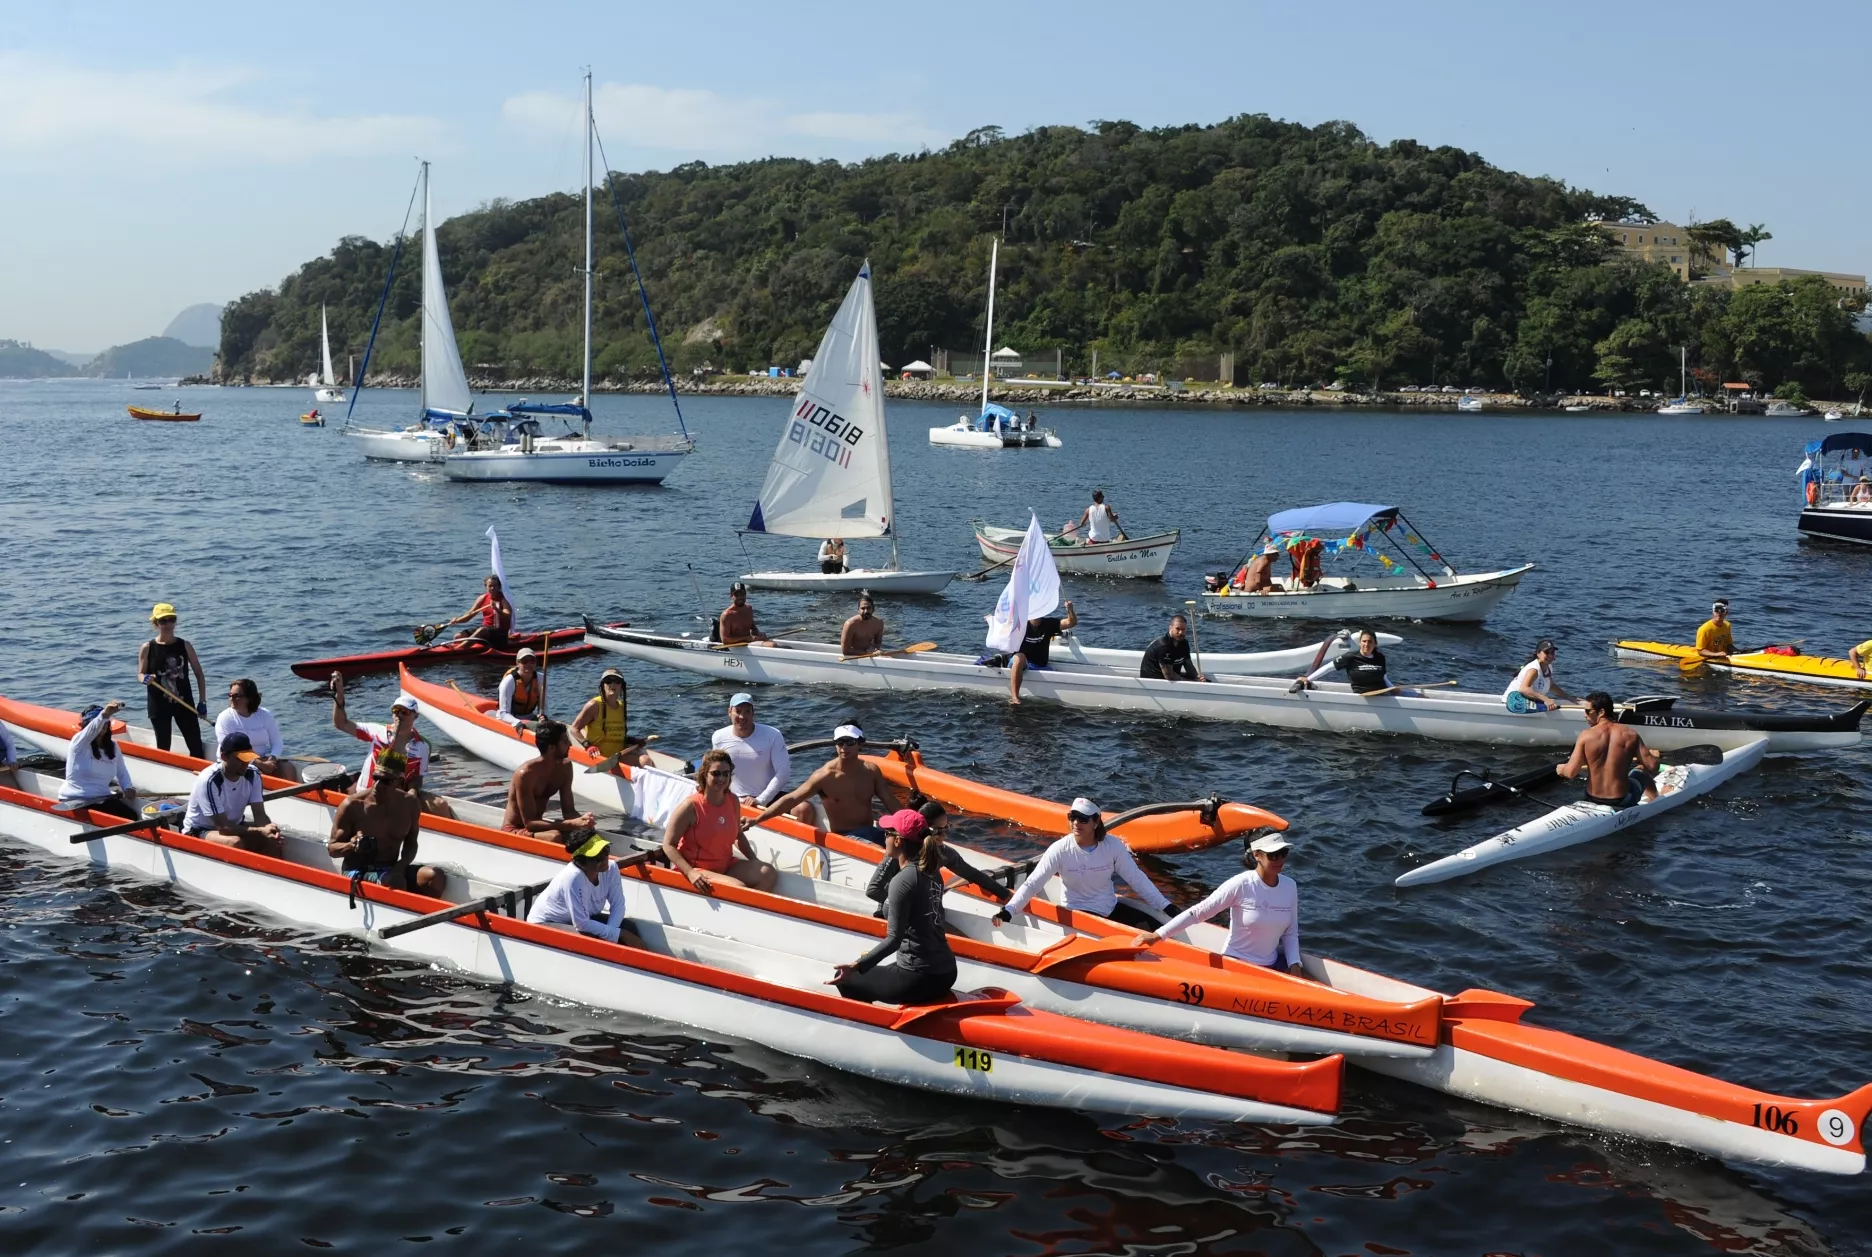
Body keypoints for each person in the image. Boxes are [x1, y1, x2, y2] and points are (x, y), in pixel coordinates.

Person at [831, 809, 957, 1006]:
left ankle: (872, 1028)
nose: (885, 837)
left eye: (888, 833)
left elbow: (893, 940)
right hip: (947, 971)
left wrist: (855, 966)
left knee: (845, 978)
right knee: (884, 968)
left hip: (920, 977)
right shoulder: (933, 872)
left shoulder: (902, 880)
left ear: (898, 841)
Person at [993, 797, 1172, 930]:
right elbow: (1033, 884)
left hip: (1110, 908)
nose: (1076, 823)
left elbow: (1137, 880)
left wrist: (1166, 906)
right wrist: (1008, 911)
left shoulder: (1113, 846)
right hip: (1077, 914)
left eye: (1083, 819)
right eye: (1073, 817)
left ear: (1095, 822)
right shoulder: (1060, 849)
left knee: (1156, 929)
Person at [1134, 835, 1303, 975]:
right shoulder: (1240, 885)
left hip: (1273, 965)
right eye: (1273, 855)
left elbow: (1291, 933)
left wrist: (1295, 963)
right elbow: (1198, 912)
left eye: (1283, 853)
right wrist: (1157, 935)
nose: (1279, 859)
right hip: (1237, 965)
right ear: (1257, 854)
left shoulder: (1290, 886)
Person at [329, 675, 455, 818]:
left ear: (416, 716)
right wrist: (339, 696)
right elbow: (341, 724)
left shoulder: (422, 746)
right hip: (368, 792)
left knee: (440, 805)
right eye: (396, 711)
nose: (399, 715)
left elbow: (417, 777)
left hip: (397, 795)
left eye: (405, 712)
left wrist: (413, 792)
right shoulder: (377, 732)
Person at [746, 725, 901, 841]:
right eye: (840, 742)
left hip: (870, 831)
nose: (844, 747)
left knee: (905, 844)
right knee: (886, 853)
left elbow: (890, 801)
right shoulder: (824, 776)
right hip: (845, 838)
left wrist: (914, 825)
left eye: (850, 742)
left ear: (860, 743)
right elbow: (792, 799)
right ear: (835, 744)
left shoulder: (871, 771)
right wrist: (757, 819)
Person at [327, 749, 446, 894]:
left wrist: (400, 867)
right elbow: (332, 849)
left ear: (400, 782)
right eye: (375, 777)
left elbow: (411, 844)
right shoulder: (352, 805)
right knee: (396, 882)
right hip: (357, 870)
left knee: (435, 877)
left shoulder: (410, 804)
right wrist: (352, 846)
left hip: (391, 868)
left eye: (386, 781)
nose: (377, 785)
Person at [661, 749, 778, 892]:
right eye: (716, 773)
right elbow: (668, 845)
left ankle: (756, 910)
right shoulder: (690, 807)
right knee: (739, 888)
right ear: (704, 774)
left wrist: (754, 860)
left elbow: (738, 835)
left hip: (726, 865)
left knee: (768, 872)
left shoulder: (733, 800)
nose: (721, 778)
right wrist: (690, 873)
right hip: (698, 870)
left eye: (726, 774)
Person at [527, 834, 643, 946]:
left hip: (579, 920)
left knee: (628, 927)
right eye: (597, 858)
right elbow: (582, 924)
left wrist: (614, 934)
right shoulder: (572, 878)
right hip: (545, 923)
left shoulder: (612, 868)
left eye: (606, 851)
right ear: (581, 862)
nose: (605, 859)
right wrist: (618, 934)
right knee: (593, 940)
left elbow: (618, 905)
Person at [180, 732, 284, 857]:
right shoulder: (209, 781)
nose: (246, 764)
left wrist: (269, 829)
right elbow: (223, 827)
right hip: (201, 829)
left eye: (248, 759)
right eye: (240, 760)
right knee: (235, 842)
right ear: (224, 757)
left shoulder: (253, 775)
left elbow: (259, 814)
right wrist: (261, 831)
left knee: (273, 841)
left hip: (234, 826)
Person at [1557, 691, 1661, 809]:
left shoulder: (1585, 735)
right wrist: (1655, 757)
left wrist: (1563, 769)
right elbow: (1653, 766)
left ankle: (1655, 802)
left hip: (1592, 798)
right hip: (1622, 800)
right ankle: (1656, 802)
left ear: (1601, 712)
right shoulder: (1631, 734)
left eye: (1587, 711)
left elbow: (1570, 773)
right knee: (1641, 770)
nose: (1584, 715)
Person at [501, 720, 598, 845]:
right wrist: (572, 824)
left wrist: (584, 822)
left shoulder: (566, 767)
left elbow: (569, 811)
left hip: (538, 827)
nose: (569, 744)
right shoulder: (525, 774)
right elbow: (530, 823)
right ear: (551, 747)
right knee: (554, 837)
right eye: (564, 740)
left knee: (586, 832)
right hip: (515, 830)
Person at [908, 796, 1012, 903]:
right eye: (938, 831)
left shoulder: (944, 853)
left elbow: (972, 874)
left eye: (946, 828)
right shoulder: (903, 851)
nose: (944, 835)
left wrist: (1005, 893)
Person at [138, 602, 208, 757]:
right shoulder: (147, 647)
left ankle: (199, 777)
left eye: (171, 620)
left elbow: (199, 674)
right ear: (155, 624)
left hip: (184, 703)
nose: (168, 624)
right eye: (163, 621)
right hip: (159, 706)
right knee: (163, 746)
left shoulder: (185, 645)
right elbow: (140, 674)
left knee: (196, 746)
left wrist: (202, 702)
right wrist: (145, 679)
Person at [58, 701, 139, 819]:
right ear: (88, 725)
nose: (103, 726)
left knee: (131, 816)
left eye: (106, 723)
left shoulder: (113, 746)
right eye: (99, 722)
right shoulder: (79, 742)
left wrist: (127, 787)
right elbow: (93, 729)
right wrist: (104, 715)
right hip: (76, 799)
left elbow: (121, 771)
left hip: (102, 797)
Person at [710, 693, 791, 807]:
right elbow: (715, 770)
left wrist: (760, 800)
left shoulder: (773, 735)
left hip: (768, 797)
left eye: (747, 711)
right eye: (738, 711)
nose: (742, 717)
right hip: (735, 799)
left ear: (753, 713)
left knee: (804, 809)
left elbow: (784, 772)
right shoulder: (719, 737)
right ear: (729, 712)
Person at [216, 678, 299, 781]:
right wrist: (260, 764)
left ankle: (291, 795)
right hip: (235, 763)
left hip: (262, 759)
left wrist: (272, 759)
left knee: (288, 768)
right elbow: (232, 751)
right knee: (254, 773)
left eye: (236, 696)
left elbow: (277, 742)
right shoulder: (225, 718)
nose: (231, 699)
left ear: (249, 698)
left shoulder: (265, 715)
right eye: (230, 695)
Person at [1003, 599, 1078, 705]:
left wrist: (1070, 610)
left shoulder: (1049, 623)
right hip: (1020, 662)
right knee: (1019, 657)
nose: (1036, 615)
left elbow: (1071, 623)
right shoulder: (1020, 624)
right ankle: (1014, 697)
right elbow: (1002, 626)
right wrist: (991, 620)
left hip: (1039, 664)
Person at [571, 668, 646, 766]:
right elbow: (574, 729)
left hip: (617, 757)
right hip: (599, 759)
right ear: (602, 685)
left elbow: (615, 734)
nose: (612, 684)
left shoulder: (621, 707)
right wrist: (588, 746)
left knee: (645, 760)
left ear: (622, 686)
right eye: (608, 681)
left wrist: (634, 740)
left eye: (617, 681)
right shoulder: (594, 705)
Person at [1292, 628, 1390, 694]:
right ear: (1360, 643)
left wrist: (1392, 688)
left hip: (1381, 693)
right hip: (1362, 695)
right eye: (1364, 641)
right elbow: (1327, 668)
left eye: (1370, 642)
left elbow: (1384, 677)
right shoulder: (1350, 657)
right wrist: (1308, 679)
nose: (1366, 644)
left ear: (1375, 644)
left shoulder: (1380, 657)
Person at [1503, 639, 1575, 713]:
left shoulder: (1548, 667)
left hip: (1528, 701)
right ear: (1538, 653)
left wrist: (1569, 698)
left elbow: (1551, 685)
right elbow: (1523, 689)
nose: (1550, 655)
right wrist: (1546, 699)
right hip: (1512, 703)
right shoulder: (1534, 670)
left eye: (1552, 652)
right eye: (1547, 652)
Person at [445, 575, 514, 646]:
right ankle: (460, 652)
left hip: (500, 635)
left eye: (495, 586)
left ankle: (458, 649)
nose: (492, 588)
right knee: (458, 636)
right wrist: (457, 620)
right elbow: (470, 615)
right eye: (490, 586)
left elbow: (507, 617)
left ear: (499, 587)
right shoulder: (482, 598)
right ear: (486, 587)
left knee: (482, 630)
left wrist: (496, 609)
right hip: (486, 632)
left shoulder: (503, 600)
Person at [1140, 613, 1208, 682]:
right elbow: (1169, 676)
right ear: (1170, 628)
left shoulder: (1184, 643)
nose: (1181, 632)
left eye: (1183, 629)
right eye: (1177, 629)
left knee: (1206, 681)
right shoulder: (1164, 646)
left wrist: (1197, 677)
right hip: (1153, 681)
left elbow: (1189, 666)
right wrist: (1193, 682)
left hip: (1171, 678)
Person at [495, 648, 543, 726]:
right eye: (524, 661)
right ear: (518, 663)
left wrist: (543, 716)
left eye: (532, 661)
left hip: (528, 717)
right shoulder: (509, 682)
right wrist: (516, 722)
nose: (528, 664)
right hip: (508, 719)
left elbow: (543, 709)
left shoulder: (541, 679)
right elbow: (503, 713)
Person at [716, 582, 772, 646]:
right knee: (772, 645)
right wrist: (746, 638)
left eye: (742, 594)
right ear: (731, 596)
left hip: (749, 642)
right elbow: (725, 639)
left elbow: (753, 627)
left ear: (745, 595)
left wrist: (758, 633)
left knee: (781, 645)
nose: (740, 597)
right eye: (737, 595)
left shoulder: (749, 609)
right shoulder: (727, 615)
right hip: (736, 646)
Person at [839, 591, 886, 657]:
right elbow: (845, 650)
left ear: (873, 609)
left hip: (868, 653)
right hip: (853, 655)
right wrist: (868, 653)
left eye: (868, 608)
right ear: (858, 610)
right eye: (863, 608)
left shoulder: (879, 623)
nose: (866, 611)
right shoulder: (850, 624)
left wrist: (875, 650)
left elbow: (877, 643)